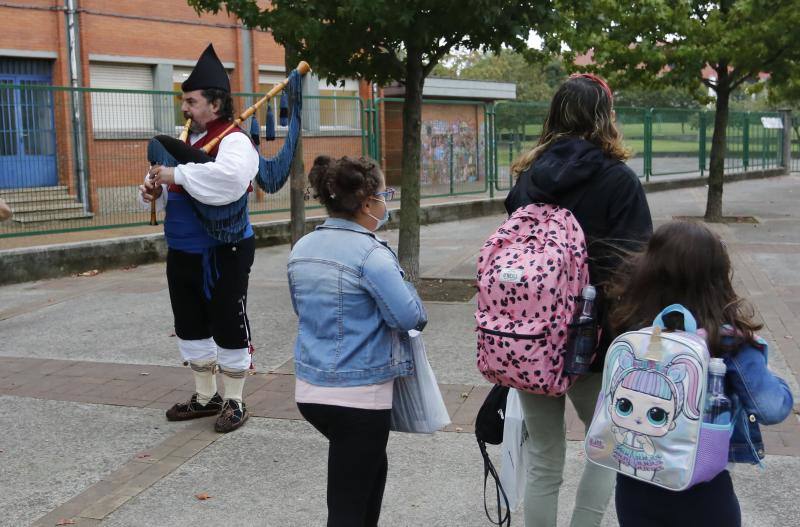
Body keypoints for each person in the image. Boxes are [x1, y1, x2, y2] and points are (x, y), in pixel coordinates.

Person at [503, 73, 653, 527]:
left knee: (546, 456)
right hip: (596, 340)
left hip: (531, 338)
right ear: (606, 117)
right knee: (608, 449)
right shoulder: (619, 181)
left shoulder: (528, 179)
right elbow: (635, 269)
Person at [608, 220, 794, 527]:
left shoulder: (635, 329)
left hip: (635, 480)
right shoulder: (728, 343)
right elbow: (772, 408)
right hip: (702, 488)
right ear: (717, 279)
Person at [287, 155, 427, 527]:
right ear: (367, 203)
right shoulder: (372, 255)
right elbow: (409, 317)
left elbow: (300, 308)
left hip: (311, 390)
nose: (386, 202)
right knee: (349, 504)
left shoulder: (301, 248)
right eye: (384, 194)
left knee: (368, 476)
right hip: (359, 396)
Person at [138, 43, 259, 433]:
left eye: (191, 101)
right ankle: (207, 396)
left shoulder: (235, 141)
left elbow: (227, 183)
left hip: (225, 250)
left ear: (215, 103)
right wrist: (153, 190)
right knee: (189, 322)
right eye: (184, 101)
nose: (185, 109)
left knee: (227, 320)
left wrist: (177, 176)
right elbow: (170, 185)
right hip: (184, 250)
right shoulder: (188, 139)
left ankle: (236, 401)